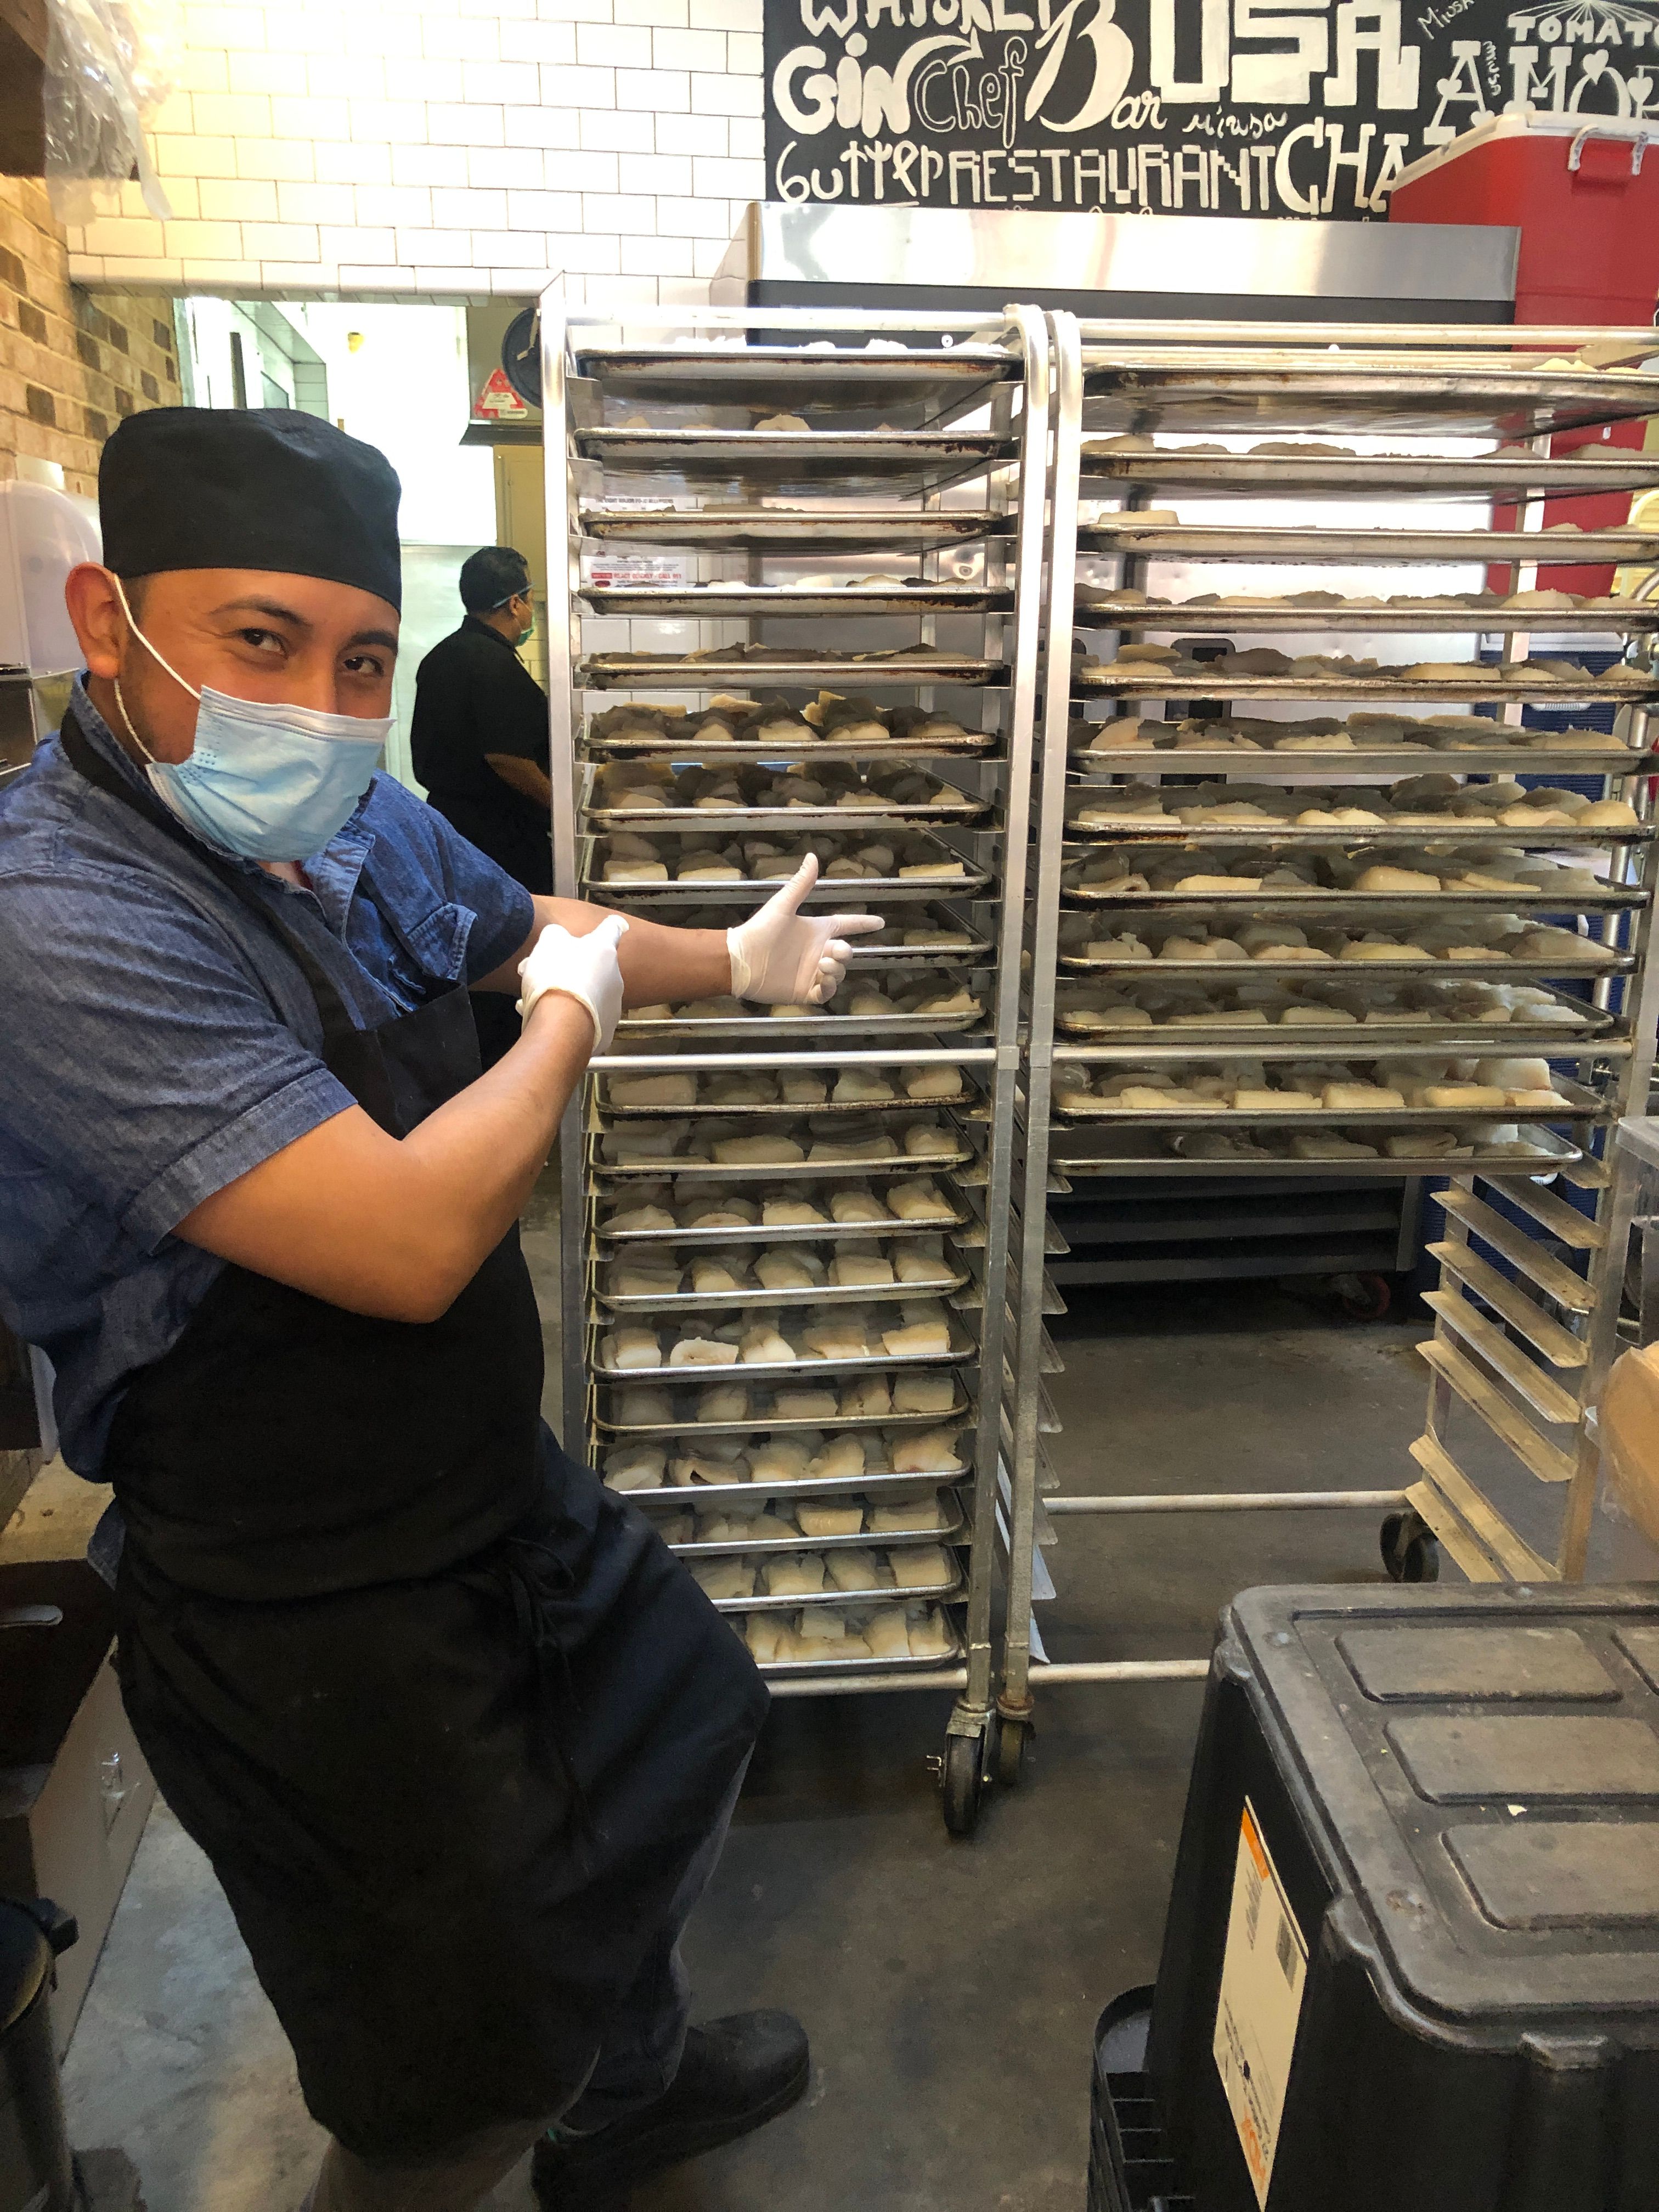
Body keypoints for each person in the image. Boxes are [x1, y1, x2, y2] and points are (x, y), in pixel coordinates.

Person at [0, 408, 883, 2212]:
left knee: (684, 1721)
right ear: (108, 619)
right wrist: (575, 1016)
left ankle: (622, 2090)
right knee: (447, 2083)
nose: (317, 709)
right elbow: (407, 1233)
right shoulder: (52, 914)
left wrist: (729, 960)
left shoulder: (332, 817)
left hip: (477, 1485)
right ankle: (521, 2113)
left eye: (355, 660)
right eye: (259, 644)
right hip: (301, 1588)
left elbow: (520, 924)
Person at [411, 546, 556, 1066]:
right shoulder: (491, 664)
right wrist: (563, 811)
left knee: (468, 953)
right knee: (505, 950)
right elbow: (508, 758)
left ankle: (472, 1058)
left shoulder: (443, 656)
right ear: (515, 603)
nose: (531, 609)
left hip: (452, 829)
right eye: (531, 598)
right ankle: (506, 1063)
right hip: (496, 840)